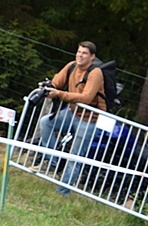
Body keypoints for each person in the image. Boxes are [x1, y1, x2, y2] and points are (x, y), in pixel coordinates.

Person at [33, 41, 106, 197]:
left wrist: (59, 94)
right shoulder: (72, 66)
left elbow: (86, 98)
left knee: (75, 156)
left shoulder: (96, 73)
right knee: (46, 123)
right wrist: (47, 87)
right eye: (79, 52)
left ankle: (62, 192)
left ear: (92, 57)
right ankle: (53, 163)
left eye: (84, 53)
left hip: (90, 120)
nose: (80, 55)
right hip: (72, 113)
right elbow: (56, 83)